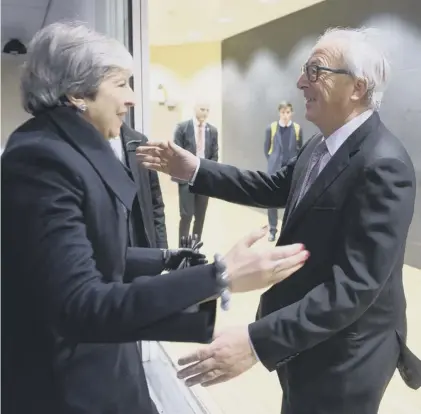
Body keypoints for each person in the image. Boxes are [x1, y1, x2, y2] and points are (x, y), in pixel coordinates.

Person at [1, 22, 310, 414]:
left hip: (99, 366)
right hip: (69, 387)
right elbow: (80, 304)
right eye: (121, 84)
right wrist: (220, 276)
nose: (131, 99)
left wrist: (166, 260)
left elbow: (92, 254)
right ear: (78, 92)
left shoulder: (62, 150)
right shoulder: (42, 160)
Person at [137, 27, 421, 414]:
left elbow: (355, 288)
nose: (301, 81)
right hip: (309, 338)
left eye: (315, 70)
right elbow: (270, 186)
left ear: (357, 87)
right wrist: (196, 169)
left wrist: (256, 342)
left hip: (347, 353)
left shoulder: (384, 165)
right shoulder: (322, 143)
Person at [110, 122, 168, 248]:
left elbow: (156, 205)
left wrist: (162, 252)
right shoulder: (78, 148)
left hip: (139, 244)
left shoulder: (139, 142)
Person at [173, 101, 218, 244]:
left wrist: (208, 172)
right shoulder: (182, 128)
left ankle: (195, 248)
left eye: (207, 110)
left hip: (204, 178)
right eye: (202, 109)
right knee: (186, 215)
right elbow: (176, 152)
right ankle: (182, 249)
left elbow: (214, 155)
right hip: (186, 177)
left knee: (200, 217)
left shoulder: (213, 131)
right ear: (195, 108)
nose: (204, 112)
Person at [264, 102, 303, 241]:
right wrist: (274, 162)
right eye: (283, 112)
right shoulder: (271, 128)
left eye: (288, 112)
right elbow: (266, 149)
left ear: (291, 113)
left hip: (291, 170)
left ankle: (287, 230)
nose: (285, 115)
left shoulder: (297, 128)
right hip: (274, 169)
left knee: (291, 200)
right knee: (271, 200)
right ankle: (272, 229)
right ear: (279, 113)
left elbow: (300, 149)